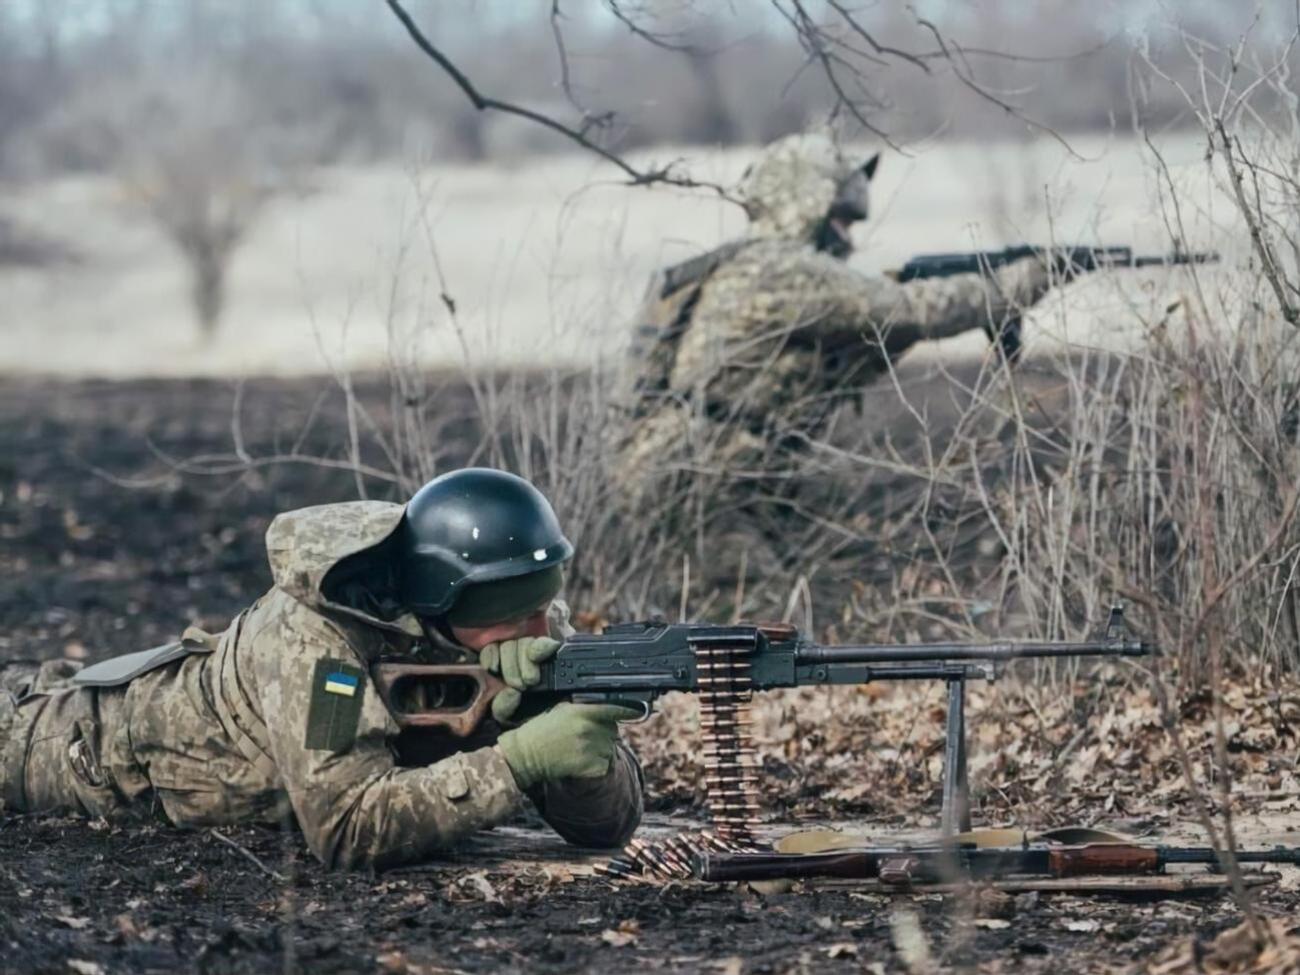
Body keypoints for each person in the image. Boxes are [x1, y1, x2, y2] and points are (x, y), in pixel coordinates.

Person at [0, 468, 643, 870]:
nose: (541, 630)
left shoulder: (525, 620)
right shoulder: (316, 641)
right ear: (444, 601)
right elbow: (345, 829)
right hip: (78, 749)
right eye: (517, 616)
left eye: (544, 607)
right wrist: (517, 760)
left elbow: (606, 829)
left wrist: (558, 729)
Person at [615, 130, 1060, 501]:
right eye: (840, 215)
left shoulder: (757, 265)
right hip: (701, 476)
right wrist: (1015, 284)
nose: (848, 229)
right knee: (755, 603)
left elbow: (863, 348)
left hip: (709, 471)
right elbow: (910, 310)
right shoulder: (778, 268)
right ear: (805, 199)